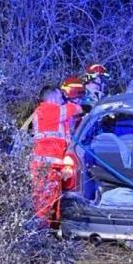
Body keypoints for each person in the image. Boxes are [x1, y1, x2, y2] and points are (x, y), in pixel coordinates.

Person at [29, 86, 76, 223]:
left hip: (52, 167)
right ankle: (40, 234)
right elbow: (72, 109)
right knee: (43, 204)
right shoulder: (45, 110)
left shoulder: (56, 115)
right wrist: (81, 106)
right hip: (44, 166)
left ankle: (51, 232)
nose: (62, 100)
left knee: (53, 202)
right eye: (60, 97)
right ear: (52, 98)